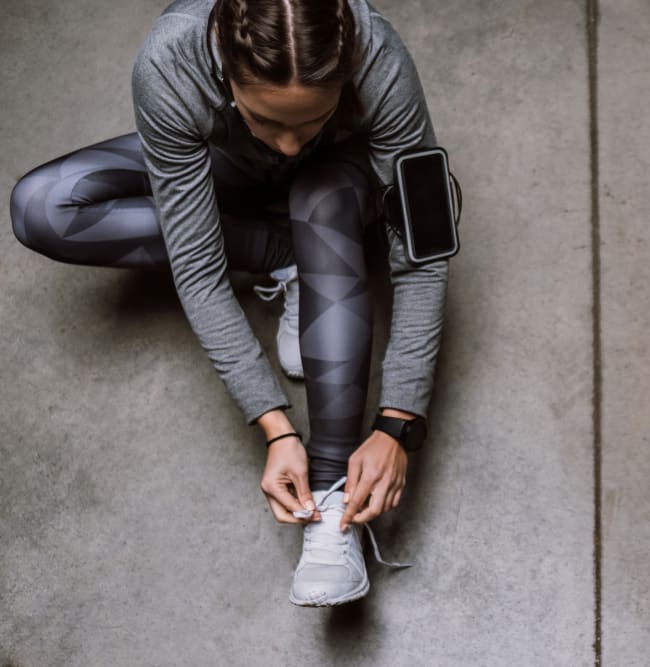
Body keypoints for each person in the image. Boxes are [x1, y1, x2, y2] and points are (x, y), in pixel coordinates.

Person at [8, 0, 449, 607]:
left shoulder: (376, 54)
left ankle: (330, 496)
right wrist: (273, 425)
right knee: (45, 205)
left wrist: (399, 420)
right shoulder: (173, 57)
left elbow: (422, 256)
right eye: (269, 120)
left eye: (312, 119)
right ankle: (286, 254)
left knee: (317, 190)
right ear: (226, 70)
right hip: (227, 166)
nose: (291, 145)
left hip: (343, 184)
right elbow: (198, 266)